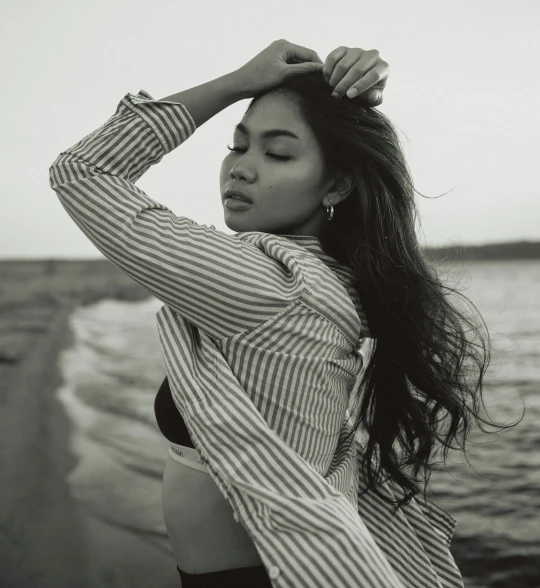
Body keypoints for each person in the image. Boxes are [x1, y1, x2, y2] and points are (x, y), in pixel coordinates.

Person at [49, 40, 514, 587]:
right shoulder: (327, 279)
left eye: (277, 153)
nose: (241, 169)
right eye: (237, 145)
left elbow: (82, 172)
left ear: (336, 185)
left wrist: (235, 83)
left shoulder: (270, 285)